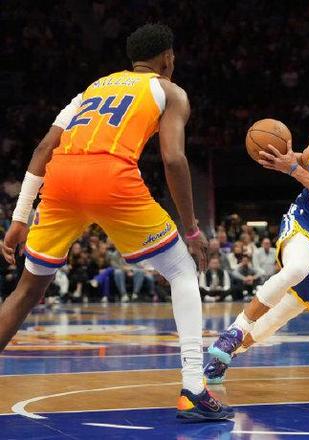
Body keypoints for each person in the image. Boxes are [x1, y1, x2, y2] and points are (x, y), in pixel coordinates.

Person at [0, 24, 231, 421]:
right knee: (182, 270)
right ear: (168, 58)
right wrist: (192, 230)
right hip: (110, 177)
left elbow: (42, 148)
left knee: (26, 290)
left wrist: (20, 217)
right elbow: (173, 159)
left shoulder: (90, 90)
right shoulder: (170, 91)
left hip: (60, 179)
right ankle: (194, 388)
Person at [204, 84, 309, 384]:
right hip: (305, 218)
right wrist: (282, 158)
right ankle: (234, 330)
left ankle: (229, 354)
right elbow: (304, 161)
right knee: (298, 267)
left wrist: (292, 169)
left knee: (284, 312)